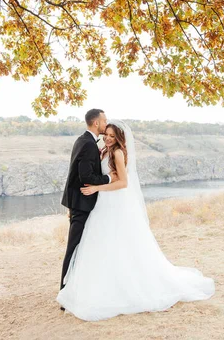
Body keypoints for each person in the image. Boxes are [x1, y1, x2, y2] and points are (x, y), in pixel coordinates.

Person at [57, 119, 215, 321]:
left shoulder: (117, 153)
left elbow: (123, 183)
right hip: (102, 204)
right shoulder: (103, 150)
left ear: (120, 139)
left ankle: (123, 287)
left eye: (113, 136)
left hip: (114, 202)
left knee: (119, 244)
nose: (108, 138)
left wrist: (97, 188)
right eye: (107, 134)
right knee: (100, 244)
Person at [59, 108, 114, 293]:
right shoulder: (89, 144)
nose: (106, 124)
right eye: (104, 121)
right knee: (73, 248)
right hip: (81, 204)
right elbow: (85, 177)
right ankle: (65, 291)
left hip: (78, 202)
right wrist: (108, 179)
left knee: (80, 247)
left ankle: (76, 287)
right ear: (96, 123)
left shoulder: (83, 140)